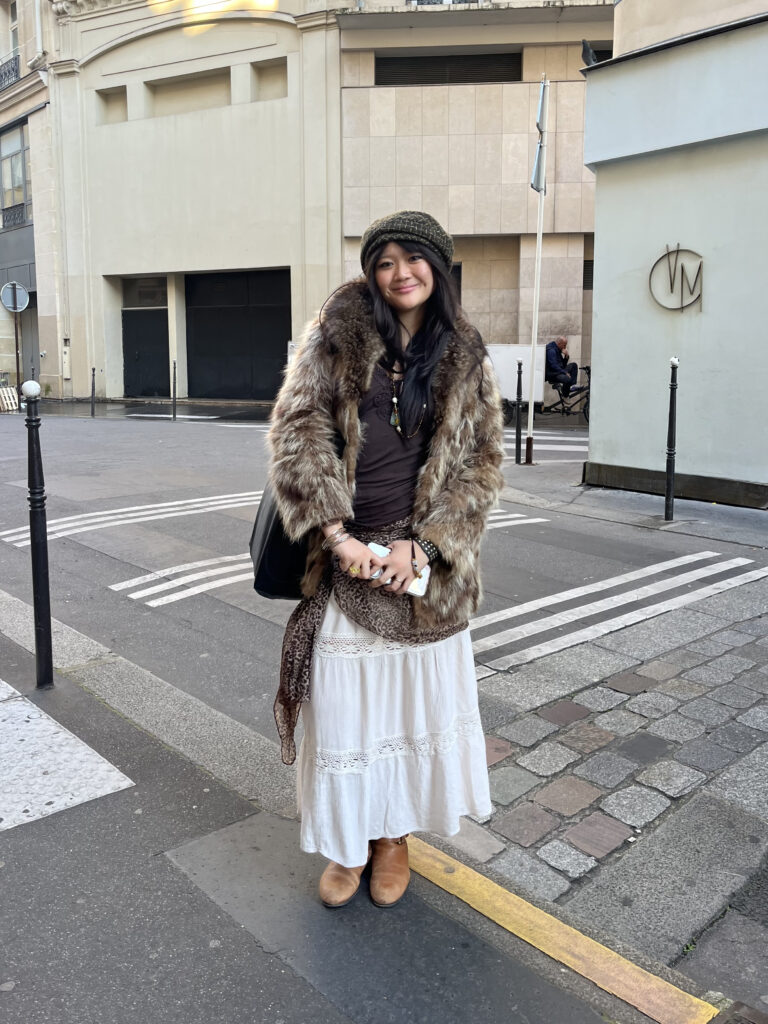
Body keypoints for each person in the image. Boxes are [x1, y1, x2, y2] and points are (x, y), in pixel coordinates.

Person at [267, 210, 504, 910]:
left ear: (438, 264)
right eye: (385, 261)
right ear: (371, 272)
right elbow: (297, 428)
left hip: (423, 566)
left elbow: (483, 463)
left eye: (413, 258)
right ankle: (348, 844)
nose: (400, 273)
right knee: (347, 713)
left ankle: (393, 839)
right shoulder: (334, 334)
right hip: (346, 550)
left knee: (409, 714)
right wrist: (335, 535)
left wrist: (424, 544)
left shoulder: (464, 349)